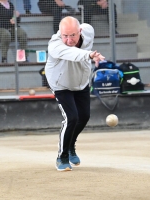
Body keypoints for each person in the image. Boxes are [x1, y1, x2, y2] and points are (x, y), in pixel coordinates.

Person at [45, 16, 105, 171]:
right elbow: (72, 54)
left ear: (80, 31)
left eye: (73, 35)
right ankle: (62, 157)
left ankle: (71, 145)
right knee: (72, 117)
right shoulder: (55, 45)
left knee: (84, 116)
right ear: (60, 33)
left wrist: (89, 56)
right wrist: (90, 55)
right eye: (65, 35)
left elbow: (82, 41)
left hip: (81, 82)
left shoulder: (88, 31)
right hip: (60, 84)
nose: (69, 39)